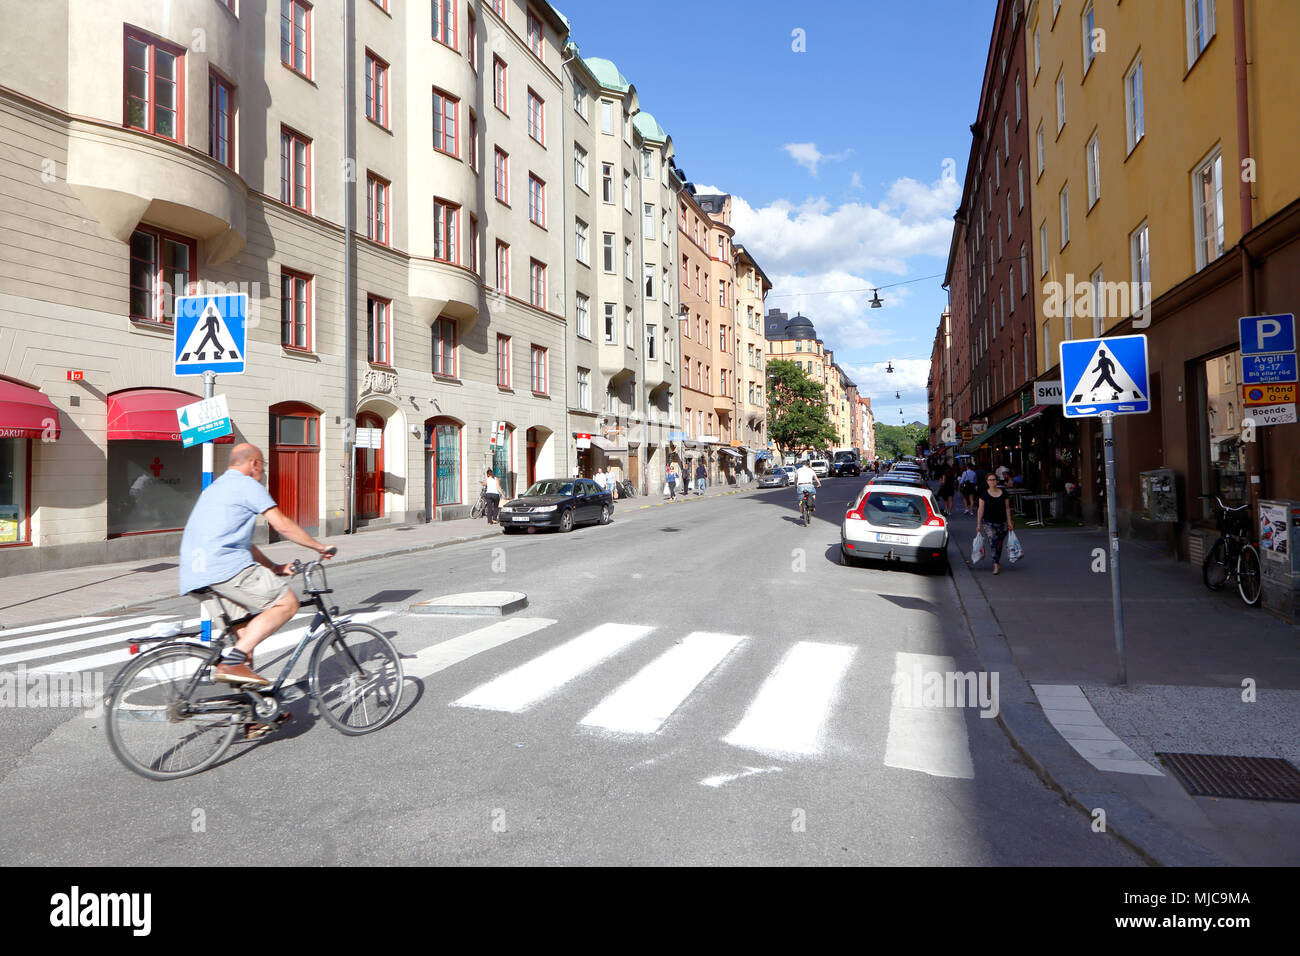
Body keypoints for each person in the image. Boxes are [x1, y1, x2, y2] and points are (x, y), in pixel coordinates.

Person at [178, 443, 333, 696]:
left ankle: (253, 711)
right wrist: (319, 546)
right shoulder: (247, 484)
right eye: (263, 466)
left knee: (246, 638)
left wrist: (274, 567)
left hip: (195, 574)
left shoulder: (215, 489)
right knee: (287, 604)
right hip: (224, 567)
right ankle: (235, 661)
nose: (263, 472)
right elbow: (282, 524)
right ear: (254, 464)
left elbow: (242, 543)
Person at [976, 471, 1014, 574]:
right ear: (987, 482)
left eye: (994, 479)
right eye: (990, 480)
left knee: (999, 544)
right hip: (988, 523)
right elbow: (980, 509)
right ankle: (995, 564)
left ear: (997, 481)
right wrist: (978, 524)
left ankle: (997, 560)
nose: (992, 482)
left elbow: (1007, 508)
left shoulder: (1004, 493)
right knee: (993, 542)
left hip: (1002, 523)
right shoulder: (983, 494)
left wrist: (1009, 522)